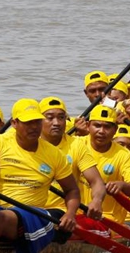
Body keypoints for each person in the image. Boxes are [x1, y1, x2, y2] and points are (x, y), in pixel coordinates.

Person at [0, 98, 80, 253]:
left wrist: (70, 214)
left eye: (37, 121)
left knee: (0, 219)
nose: (34, 127)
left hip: (31, 214)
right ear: (14, 123)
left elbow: (72, 190)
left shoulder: (53, 154)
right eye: (28, 122)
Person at [39, 96, 105, 225]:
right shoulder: (29, 143)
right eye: (50, 117)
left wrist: (97, 200)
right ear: (38, 121)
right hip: (30, 206)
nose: (57, 123)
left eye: (61, 117)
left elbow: (96, 181)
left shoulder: (76, 145)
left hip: (61, 211)